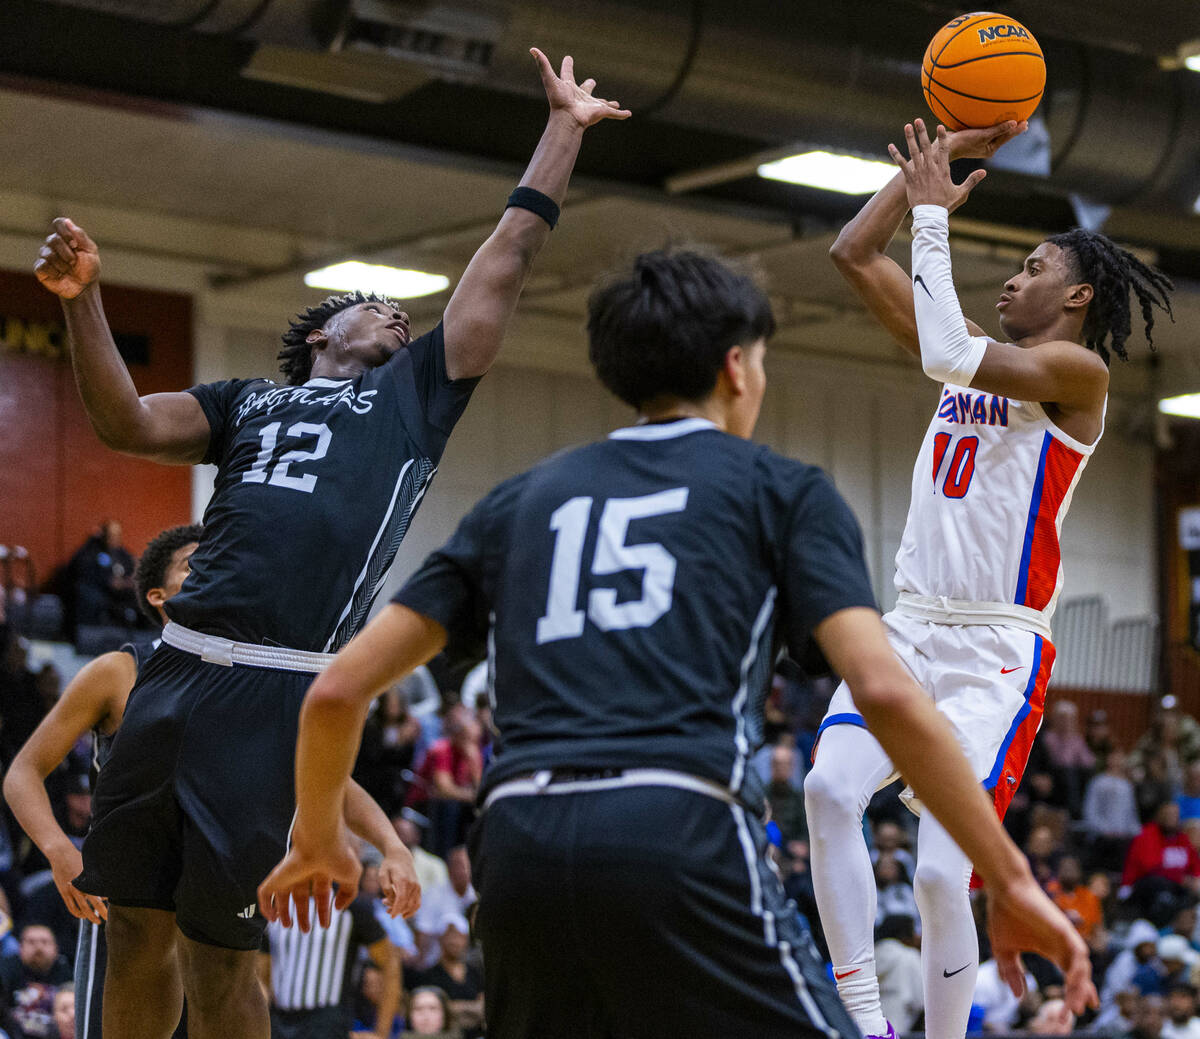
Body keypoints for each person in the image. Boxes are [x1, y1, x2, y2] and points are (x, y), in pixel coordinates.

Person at [259, 245, 1094, 1039]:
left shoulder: (519, 499)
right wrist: (1011, 876)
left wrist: (318, 833)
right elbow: (881, 689)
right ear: (738, 366)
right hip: (679, 821)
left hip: (519, 840)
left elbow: (335, 691)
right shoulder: (782, 489)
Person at [33, 49, 627, 1039]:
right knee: (135, 932)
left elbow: (512, 252)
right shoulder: (245, 401)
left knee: (225, 966)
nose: (399, 311)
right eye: (373, 303)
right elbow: (128, 423)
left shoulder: (414, 396)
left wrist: (563, 127)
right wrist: (84, 301)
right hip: (173, 671)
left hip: (274, 689)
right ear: (319, 335)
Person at [804, 114, 1174, 1039]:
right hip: (914, 622)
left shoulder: (1075, 373)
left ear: (1080, 293)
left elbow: (945, 350)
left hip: (999, 647)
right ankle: (862, 1019)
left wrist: (934, 217)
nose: (1014, 277)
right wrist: (930, 172)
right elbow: (853, 251)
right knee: (823, 790)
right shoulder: (974, 356)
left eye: (1035, 267)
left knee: (939, 871)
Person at [259, 891, 400, 1039]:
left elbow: (390, 963)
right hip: (278, 1022)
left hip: (328, 1022)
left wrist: (381, 1032)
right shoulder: (274, 905)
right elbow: (260, 975)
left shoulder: (351, 904)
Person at [0, 924, 71, 1039]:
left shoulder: (66, 970)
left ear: (56, 948)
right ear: (20, 948)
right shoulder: (6, 971)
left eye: (45, 942)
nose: (38, 947)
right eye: (31, 942)